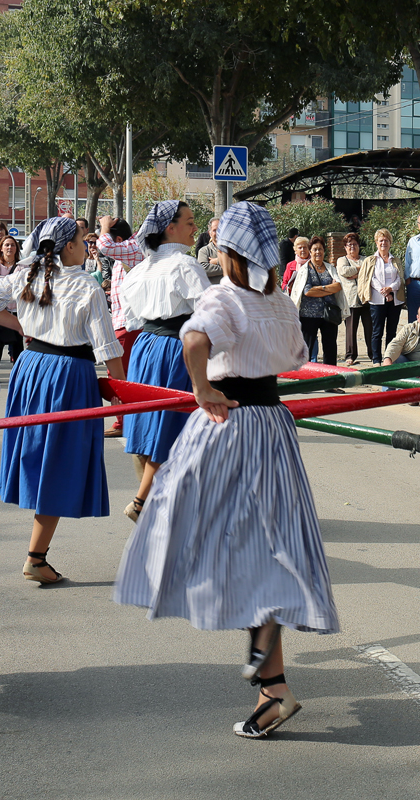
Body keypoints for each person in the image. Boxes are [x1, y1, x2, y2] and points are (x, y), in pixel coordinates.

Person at [114, 201, 338, 740]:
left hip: (228, 423)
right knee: (268, 535)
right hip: (273, 423)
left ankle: (268, 666)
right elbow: (295, 357)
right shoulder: (278, 301)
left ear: (229, 251)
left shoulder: (223, 296)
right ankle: (272, 683)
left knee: (192, 522)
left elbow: (194, 339)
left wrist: (201, 388)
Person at [0, 216, 125, 584]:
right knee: (59, 461)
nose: (86, 245)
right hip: (68, 375)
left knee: (43, 457)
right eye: (82, 239)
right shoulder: (85, 286)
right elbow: (107, 348)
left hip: (31, 368)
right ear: (69, 247)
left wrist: (21, 326)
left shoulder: (27, 275)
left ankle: (37, 555)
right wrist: (123, 394)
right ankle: (35, 557)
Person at [120, 200, 207, 522]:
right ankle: (145, 501)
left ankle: (158, 501)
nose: (195, 227)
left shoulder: (139, 270)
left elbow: (130, 319)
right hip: (174, 348)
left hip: (145, 347)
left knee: (150, 422)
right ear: (170, 228)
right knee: (172, 424)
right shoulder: (185, 265)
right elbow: (209, 312)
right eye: (190, 221)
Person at [104, 218, 140, 440]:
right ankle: (126, 420)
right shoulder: (122, 257)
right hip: (122, 324)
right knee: (123, 375)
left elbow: (104, 246)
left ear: (118, 239)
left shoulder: (130, 251)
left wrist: (104, 227)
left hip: (128, 325)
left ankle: (123, 421)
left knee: (119, 375)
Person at [289, 234, 346, 365]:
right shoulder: (305, 270)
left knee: (330, 349)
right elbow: (308, 291)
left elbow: (338, 286)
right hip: (308, 315)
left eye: (320, 249)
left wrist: (318, 289)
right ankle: (306, 376)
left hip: (329, 314)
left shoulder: (330, 268)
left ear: (324, 251)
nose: (318, 252)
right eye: (315, 249)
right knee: (307, 349)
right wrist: (328, 288)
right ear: (310, 251)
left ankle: (331, 376)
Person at [357, 229, 404, 365]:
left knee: (391, 331)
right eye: (381, 240)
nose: (384, 243)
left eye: (386, 240)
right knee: (377, 331)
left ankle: (388, 358)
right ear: (376, 243)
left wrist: (391, 289)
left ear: (390, 243)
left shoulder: (395, 260)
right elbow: (370, 278)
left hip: (394, 300)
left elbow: (399, 278)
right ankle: (376, 359)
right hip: (377, 300)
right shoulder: (370, 260)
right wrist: (384, 292)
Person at [0, 235, 25, 370]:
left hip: (16, 313)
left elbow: (23, 285)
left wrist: (6, 280)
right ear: (1, 248)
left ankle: (18, 378)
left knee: (18, 351)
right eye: (6, 245)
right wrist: (15, 280)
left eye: (12, 245)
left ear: (16, 249)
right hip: (0, 312)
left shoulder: (22, 266)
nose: (9, 247)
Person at [336, 232, 371, 365]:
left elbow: (371, 272)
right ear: (345, 247)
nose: (352, 247)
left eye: (355, 244)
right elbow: (344, 271)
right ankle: (350, 355)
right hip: (350, 300)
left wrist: (355, 272)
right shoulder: (342, 260)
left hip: (366, 298)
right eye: (349, 244)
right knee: (350, 330)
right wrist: (361, 270)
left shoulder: (365, 259)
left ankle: (373, 354)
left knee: (370, 328)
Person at [196, 216, 223, 284]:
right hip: (213, 289)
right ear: (210, 233)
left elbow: (241, 264)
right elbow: (203, 269)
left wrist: (217, 261)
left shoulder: (233, 250)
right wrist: (229, 268)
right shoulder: (204, 251)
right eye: (214, 230)